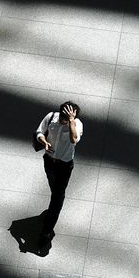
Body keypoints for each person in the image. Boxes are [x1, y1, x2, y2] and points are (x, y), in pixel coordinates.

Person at [35, 101, 83, 250]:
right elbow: (39, 132)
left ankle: (46, 232)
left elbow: (74, 139)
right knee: (54, 190)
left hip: (64, 166)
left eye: (66, 117)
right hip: (49, 162)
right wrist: (44, 142)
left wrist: (71, 122)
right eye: (62, 116)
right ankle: (55, 204)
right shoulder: (51, 117)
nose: (63, 120)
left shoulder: (77, 124)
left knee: (57, 197)